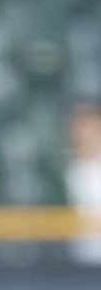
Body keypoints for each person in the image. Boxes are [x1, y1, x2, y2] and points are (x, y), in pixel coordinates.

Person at [65, 101, 101, 265]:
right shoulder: (63, 171)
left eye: (90, 125)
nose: (83, 132)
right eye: (79, 125)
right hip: (72, 264)